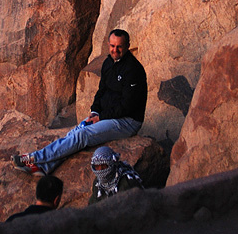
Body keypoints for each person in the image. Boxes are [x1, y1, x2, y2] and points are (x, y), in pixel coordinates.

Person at [12, 29, 147, 175]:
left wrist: (101, 118)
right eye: (112, 46)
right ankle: (44, 168)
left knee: (82, 135)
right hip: (107, 116)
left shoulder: (134, 69)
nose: (115, 50)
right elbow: (101, 91)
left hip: (126, 122)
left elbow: (127, 106)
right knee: (74, 133)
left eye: (119, 46)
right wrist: (95, 112)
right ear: (108, 44)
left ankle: (34, 158)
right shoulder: (108, 63)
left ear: (127, 46)